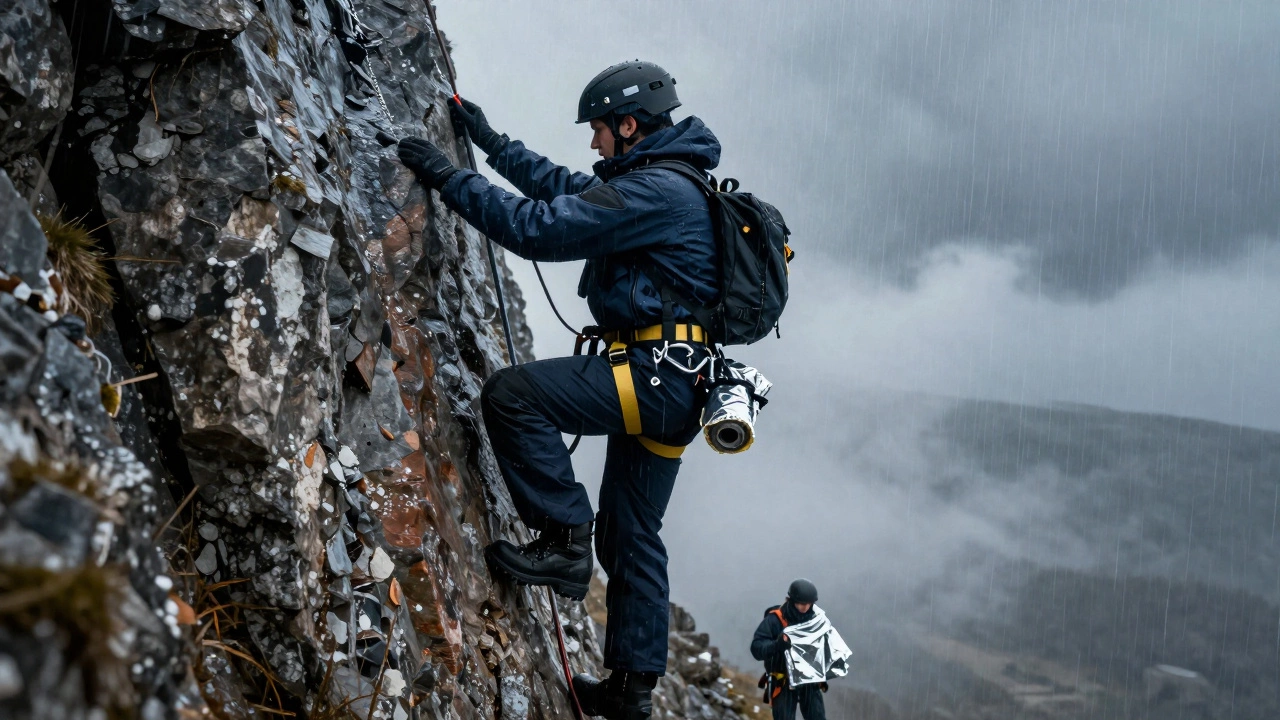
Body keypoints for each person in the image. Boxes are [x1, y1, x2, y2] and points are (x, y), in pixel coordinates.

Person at [396, 60, 721, 720]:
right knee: (632, 536)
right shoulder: (664, 182)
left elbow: (539, 227)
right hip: (680, 384)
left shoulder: (655, 191)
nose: (595, 143)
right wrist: (487, 142)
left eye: (600, 130)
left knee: (515, 396)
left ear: (629, 126)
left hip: (655, 377)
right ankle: (631, 693)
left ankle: (563, 542)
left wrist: (446, 177)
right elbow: (560, 187)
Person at [751, 579, 828, 720]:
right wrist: (777, 645)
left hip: (809, 680)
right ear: (791, 600)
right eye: (802, 603)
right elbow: (756, 648)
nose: (805, 607)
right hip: (782, 681)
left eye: (809, 603)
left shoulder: (815, 620)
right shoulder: (775, 620)